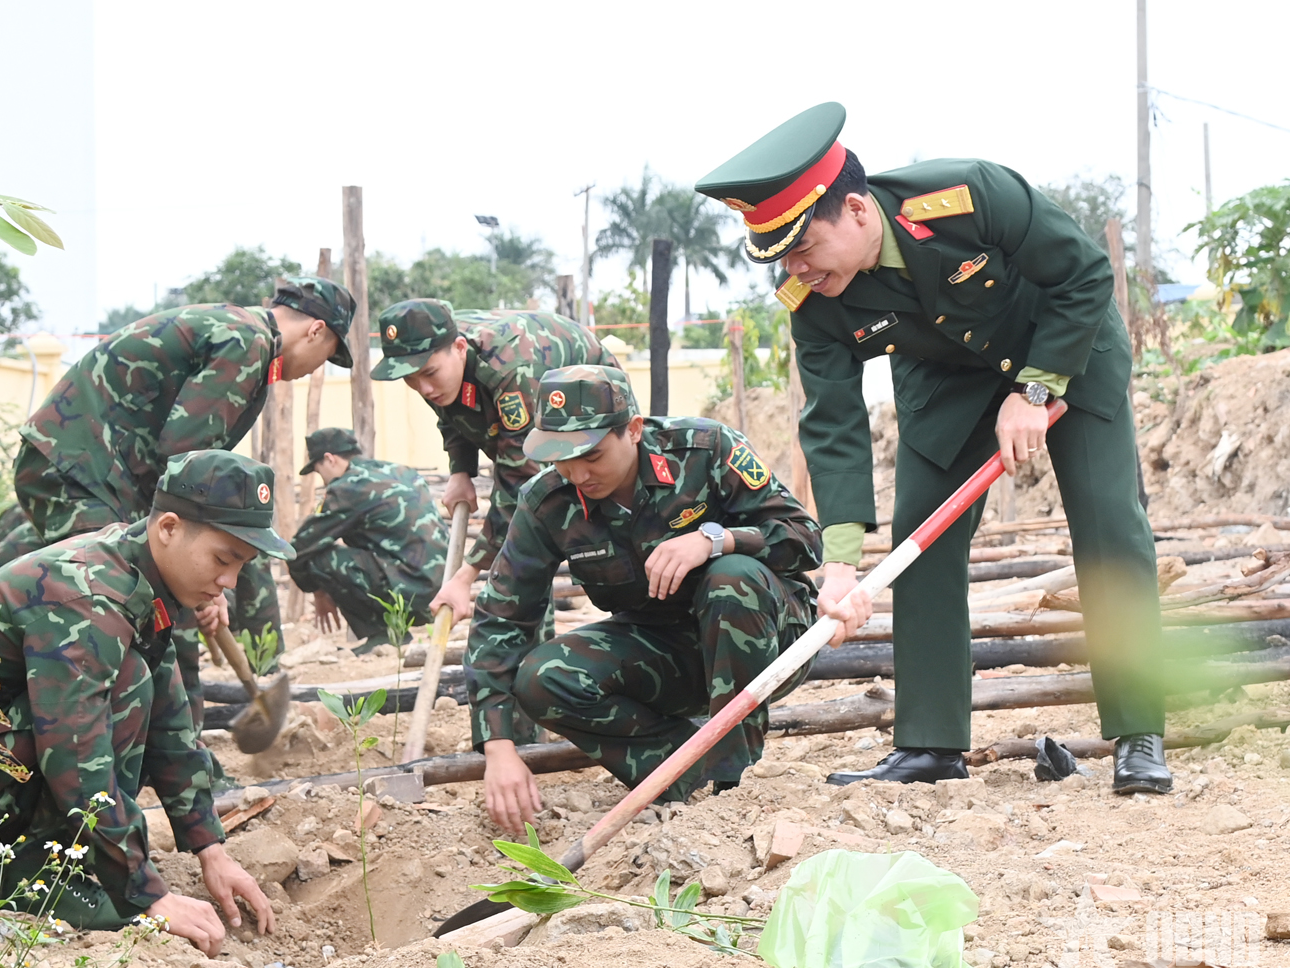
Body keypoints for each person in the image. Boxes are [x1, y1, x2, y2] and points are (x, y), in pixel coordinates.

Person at [695, 102, 1172, 793]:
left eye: (804, 247)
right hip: (948, 381)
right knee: (920, 539)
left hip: (1066, 349)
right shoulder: (814, 300)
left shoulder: (968, 197)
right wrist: (840, 565)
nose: (796, 267)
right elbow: (833, 422)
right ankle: (930, 745)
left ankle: (1138, 732)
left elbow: (1085, 276)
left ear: (856, 210)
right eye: (781, 256)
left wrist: (1035, 390)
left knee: (1109, 526)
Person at [0, 451, 292, 954]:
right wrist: (147, 895)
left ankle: (68, 856)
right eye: (222, 559)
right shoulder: (89, 598)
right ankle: (3, 874)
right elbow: (77, 755)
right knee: (128, 683)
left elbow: (171, 726)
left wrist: (210, 848)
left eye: (241, 566)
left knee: (141, 680)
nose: (229, 583)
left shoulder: (138, 573)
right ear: (169, 527)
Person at [465, 366, 823, 833]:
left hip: (771, 641)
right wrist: (497, 747)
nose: (577, 474)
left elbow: (805, 538)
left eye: (591, 455)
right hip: (667, 651)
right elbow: (503, 616)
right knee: (543, 678)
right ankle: (688, 775)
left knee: (730, 578)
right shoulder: (547, 501)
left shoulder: (705, 450)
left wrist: (716, 540)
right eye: (561, 459)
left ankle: (737, 783)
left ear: (633, 429)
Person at [0, 277, 357, 724]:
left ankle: (168, 744)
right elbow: (184, 460)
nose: (318, 368)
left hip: (88, 467)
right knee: (136, 602)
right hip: (81, 468)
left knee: (154, 601)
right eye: (327, 355)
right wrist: (200, 574)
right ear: (316, 330)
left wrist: (204, 576)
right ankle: (170, 751)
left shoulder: (240, 332)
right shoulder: (248, 342)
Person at [371, 299, 621, 622]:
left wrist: (467, 573)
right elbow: (453, 413)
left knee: (550, 511)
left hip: (589, 393)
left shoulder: (511, 370)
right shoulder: (435, 359)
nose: (424, 388)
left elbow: (521, 478)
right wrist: (460, 471)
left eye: (429, 373)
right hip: (520, 383)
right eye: (411, 379)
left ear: (459, 347)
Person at [287, 427, 449, 654]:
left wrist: (317, 589)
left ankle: (382, 635)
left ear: (330, 459)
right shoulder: (401, 471)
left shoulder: (349, 486)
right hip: (444, 589)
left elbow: (299, 549)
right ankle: (392, 633)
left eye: (318, 471)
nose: (322, 480)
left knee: (321, 559)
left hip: (411, 592)